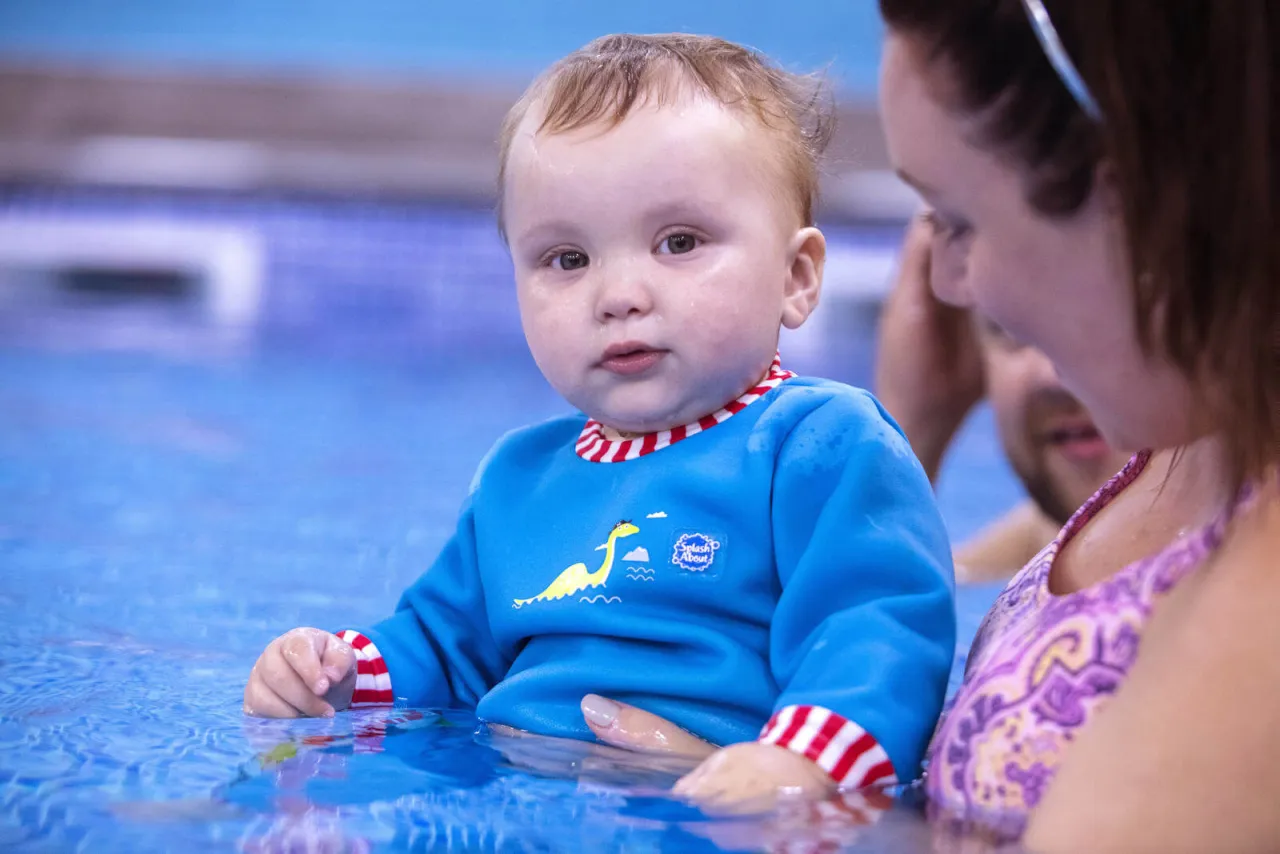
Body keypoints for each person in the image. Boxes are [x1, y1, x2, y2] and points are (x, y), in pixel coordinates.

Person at [575, 2, 1280, 849]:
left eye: (956, 221)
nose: (945, 285)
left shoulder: (1257, 615)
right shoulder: (1191, 454)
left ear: (1131, 198)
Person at [243, 34, 957, 807]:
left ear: (796, 276)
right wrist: (335, 673)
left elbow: (877, 628)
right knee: (271, 805)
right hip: (503, 795)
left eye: (678, 242)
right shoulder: (520, 475)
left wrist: (802, 766)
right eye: (567, 259)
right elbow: (443, 647)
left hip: (707, 809)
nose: (618, 293)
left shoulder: (819, 444)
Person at [876, 215, 1131, 584]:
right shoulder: (1035, 552)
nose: (1052, 375)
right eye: (1008, 324)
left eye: (1106, 315)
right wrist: (909, 434)